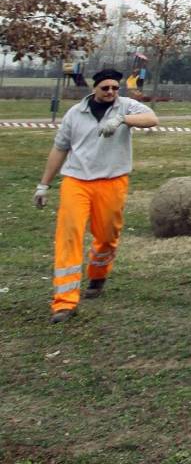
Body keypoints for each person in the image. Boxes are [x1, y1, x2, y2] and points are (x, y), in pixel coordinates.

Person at [34, 67, 158, 321]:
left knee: (106, 235)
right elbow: (59, 149)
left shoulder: (126, 106)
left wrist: (122, 120)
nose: (111, 92)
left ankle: (98, 275)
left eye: (115, 88)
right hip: (76, 181)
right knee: (69, 235)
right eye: (106, 88)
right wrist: (43, 185)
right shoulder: (74, 113)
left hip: (112, 182)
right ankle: (65, 302)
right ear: (94, 89)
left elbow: (152, 119)